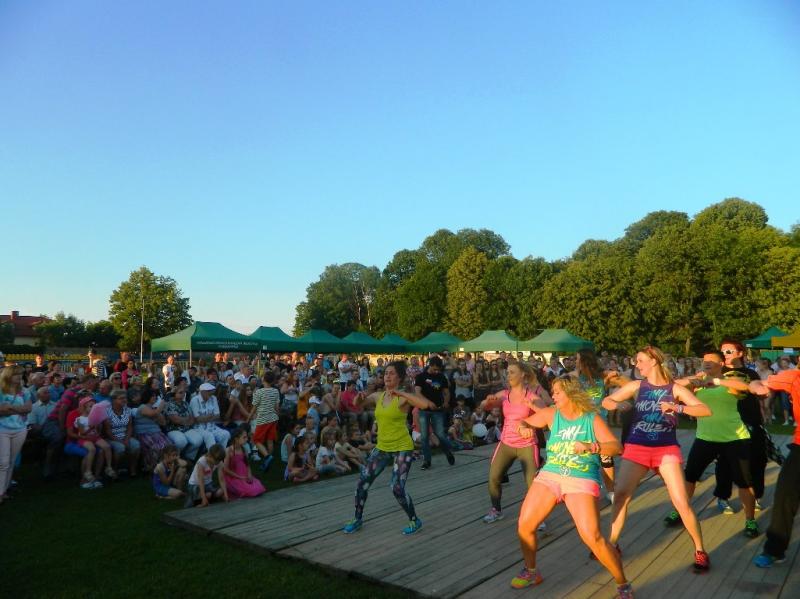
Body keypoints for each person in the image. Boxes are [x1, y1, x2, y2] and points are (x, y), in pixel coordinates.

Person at [511, 377, 632, 598]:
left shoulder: (591, 419)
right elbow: (526, 422)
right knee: (525, 525)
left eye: (557, 392)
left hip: (581, 477)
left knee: (593, 537)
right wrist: (523, 427)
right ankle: (531, 571)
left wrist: (591, 446)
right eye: (553, 392)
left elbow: (616, 447)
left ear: (571, 393)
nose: (553, 396)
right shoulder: (551, 414)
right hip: (551, 475)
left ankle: (622, 583)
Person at [602, 346, 712, 571]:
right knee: (621, 495)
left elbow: (704, 410)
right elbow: (606, 401)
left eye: (640, 360)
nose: (636, 364)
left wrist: (677, 408)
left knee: (681, 501)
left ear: (653, 361)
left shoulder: (674, 388)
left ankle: (700, 550)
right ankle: (612, 544)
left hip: (665, 449)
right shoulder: (637, 386)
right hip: (637, 447)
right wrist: (617, 404)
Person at [666, 350, 758, 538]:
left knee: (744, 481)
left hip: (735, 438)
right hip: (705, 438)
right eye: (704, 360)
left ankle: (750, 520)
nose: (706, 362)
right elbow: (673, 386)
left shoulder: (729, 380)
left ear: (721, 364)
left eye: (711, 360)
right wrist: (694, 380)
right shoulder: (698, 382)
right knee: (689, 477)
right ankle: (679, 511)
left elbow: (744, 387)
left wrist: (715, 381)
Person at [343, 361, 437, 535]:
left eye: (392, 373)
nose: (387, 376)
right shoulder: (378, 396)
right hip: (383, 447)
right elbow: (358, 404)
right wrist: (359, 397)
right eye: (386, 373)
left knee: (396, 487)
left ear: (399, 378)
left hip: (402, 447)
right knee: (362, 482)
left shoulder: (402, 398)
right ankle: (357, 519)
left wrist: (401, 392)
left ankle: (414, 520)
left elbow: (424, 405)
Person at [480, 361, 550, 523]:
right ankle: (496, 510)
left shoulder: (532, 397)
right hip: (506, 443)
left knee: (532, 482)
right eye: (507, 372)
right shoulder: (504, 394)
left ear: (522, 375)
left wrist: (530, 422)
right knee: (494, 477)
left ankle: (538, 517)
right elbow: (485, 406)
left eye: (512, 372)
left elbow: (546, 417)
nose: (508, 375)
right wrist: (488, 401)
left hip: (527, 444)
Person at [749, 367, 800, 567]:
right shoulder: (795, 377)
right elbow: (758, 383)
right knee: (785, 496)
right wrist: (757, 387)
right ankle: (774, 550)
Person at [713, 339, 768, 514]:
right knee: (725, 463)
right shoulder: (717, 373)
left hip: (751, 421)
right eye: (722, 351)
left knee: (757, 460)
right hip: (726, 424)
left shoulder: (751, 373)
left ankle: (756, 496)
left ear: (740, 353)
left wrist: (762, 394)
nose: (725, 354)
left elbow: (760, 395)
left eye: (729, 351)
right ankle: (723, 497)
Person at [414, 356, 455, 471]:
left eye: (438, 369)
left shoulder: (441, 377)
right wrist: (428, 402)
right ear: (429, 365)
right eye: (434, 369)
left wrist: (446, 402)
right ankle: (427, 461)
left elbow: (446, 392)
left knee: (440, 434)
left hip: (438, 410)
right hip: (424, 410)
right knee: (424, 436)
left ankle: (448, 451)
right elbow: (417, 393)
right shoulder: (421, 376)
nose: (436, 371)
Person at [0, 365, 32, 502]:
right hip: (2, 429)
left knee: (11, 461)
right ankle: (0, 493)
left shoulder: (24, 391)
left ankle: (5, 489)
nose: (19, 377)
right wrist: (19, 409)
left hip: (20, 429)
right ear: (8, 375)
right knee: (3, 462)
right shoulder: (1, 390)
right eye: (16, 374)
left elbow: (28, 409)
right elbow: (1, 411)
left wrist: (10, 407)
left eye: (20, 374)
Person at [104, 389, 141, 477]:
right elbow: (107, 430)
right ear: (114, 400)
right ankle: (115, 469)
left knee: (136, 445)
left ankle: (132, 468)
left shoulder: (127, 410)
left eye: (125, 398)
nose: (124, 400)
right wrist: (119, 441)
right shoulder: (107, 411)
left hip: (125, 435)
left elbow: (129, 426)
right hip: (112, 437)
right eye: (121, 398)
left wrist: (126, 439)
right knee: (120, 448)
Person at [222, 426, 266, 499]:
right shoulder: (229, 451)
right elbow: (225, 469)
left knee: (258, 488)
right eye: (244, 437)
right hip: (234, 477)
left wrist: (249, 474)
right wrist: (239, 477)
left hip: (244, 476)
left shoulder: (244, 449)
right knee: (250, 491)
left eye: (247, 437)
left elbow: (247, 465)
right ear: (236, 439)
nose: (247, 439)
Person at [250, 371, 280, 471]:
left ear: (263, 379)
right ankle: (268, 462)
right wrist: (277, 416)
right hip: (273, 419)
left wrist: (248, 418)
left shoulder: (259, 392)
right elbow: (277, 407)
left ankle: (267, 457)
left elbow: (254, 408)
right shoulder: (275, 391)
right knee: (270, 440)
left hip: (262, 419)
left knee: (256, 440)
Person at [189, 382, 231, 451]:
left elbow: (217, 416)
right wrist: (210, 416)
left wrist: (205, 417)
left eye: (211, 391)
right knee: (209, 436)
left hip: (212, 426)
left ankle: (220, 454)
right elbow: (198, 419)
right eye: (208, 391)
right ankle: (213, 455)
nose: (211, 393)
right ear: (202, 392)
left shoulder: (213, 398)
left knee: (226, 434)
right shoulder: (195, 400)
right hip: (199, 428)